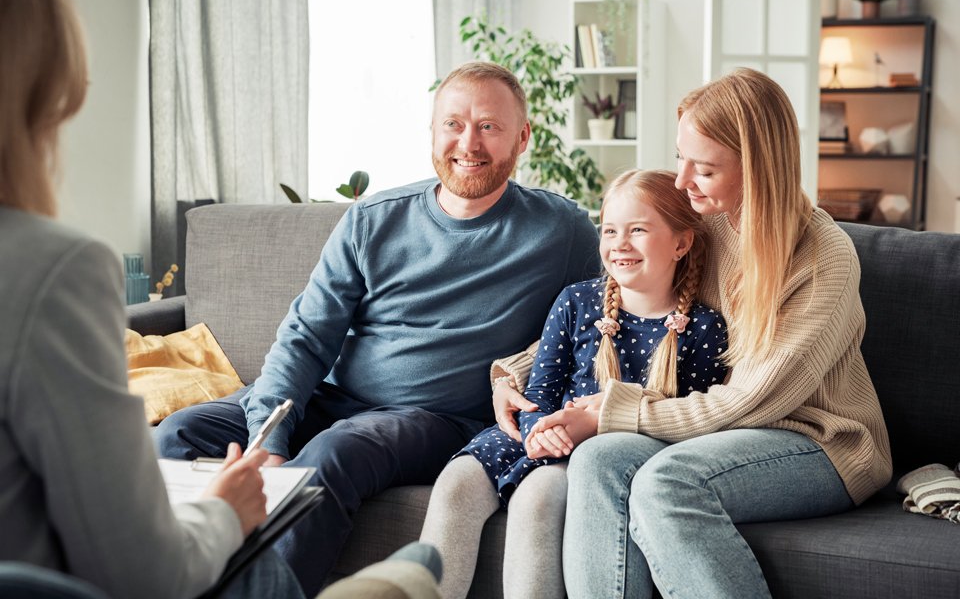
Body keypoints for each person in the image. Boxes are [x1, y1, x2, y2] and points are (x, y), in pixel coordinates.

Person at [154, 61, 601, 596]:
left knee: (336, 451)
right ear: (433, 132)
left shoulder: (564, 230)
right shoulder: (373, 219)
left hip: (438, 418)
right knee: (175, 435)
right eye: (454, 124)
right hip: (333, 394)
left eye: (489, 126)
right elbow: (306, 336)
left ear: (522, 137)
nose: (469, 142)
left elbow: (595, 321)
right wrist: (270, 433)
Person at [497, 68, 893, 599]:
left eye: (703, 169)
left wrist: (615, 411)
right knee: (596, 458)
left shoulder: (823, 260)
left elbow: (754, 402)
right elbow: (620, 300)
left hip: (818, 441)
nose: (681, 181)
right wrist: (516, 372)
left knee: (668, 483)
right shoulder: (703, 228)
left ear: (757, 168)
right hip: (723, 429)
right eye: (681, 157)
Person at [0, 0, 302, 598]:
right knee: (258, 561)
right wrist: (223, 511)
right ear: (49, 89)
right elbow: (146, 575)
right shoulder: (54, 270)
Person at [420, 169, 729, 599]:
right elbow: (542, 389)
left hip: (592, 453)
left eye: (638, 230)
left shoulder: (703, 327)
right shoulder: (577, 301)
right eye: (610, 230)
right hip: (539, 429)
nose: (620, 243)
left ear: (681, 242)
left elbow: (682, 421)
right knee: (456, 483)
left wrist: (564, 443)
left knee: (538, 498)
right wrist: (539, 435)